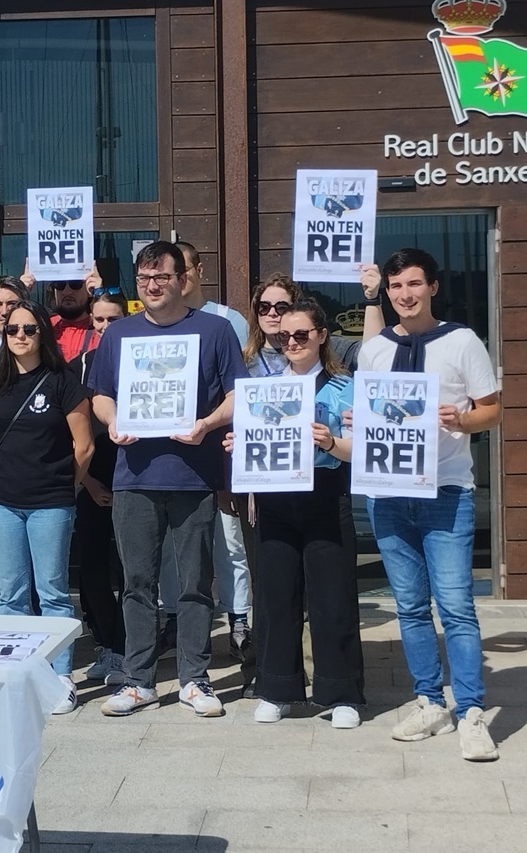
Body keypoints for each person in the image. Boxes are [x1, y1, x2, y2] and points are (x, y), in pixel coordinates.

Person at [88, 241, 246, 718]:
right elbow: (101, 395)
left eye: (161, 277)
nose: (152, 286)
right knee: (137, 582)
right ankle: (139, 681)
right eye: (144, 279)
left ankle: (195, 680)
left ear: (183, 280)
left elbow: (239, 394)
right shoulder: (119, 334)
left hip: (193, 474)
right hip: (133, 475)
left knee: (196, 582)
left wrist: (207, 423)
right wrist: (113, 423)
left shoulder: (216, 331)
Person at [358, 248, 502, 762]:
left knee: (457, 606)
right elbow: (368, 414)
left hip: (446, 491)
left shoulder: (462, 341)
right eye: (396, 287)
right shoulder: (374, 350)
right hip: (388, 494)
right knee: (412, 607)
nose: (405, 294)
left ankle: (471, 712)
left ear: (433, 287)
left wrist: (460, 422)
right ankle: (429, 700)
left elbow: (493, 411)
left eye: (415, 284)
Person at [224, 299, 365, 729]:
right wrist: (238, 447)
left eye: (301, 334)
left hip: (325, 494)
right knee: (274, 597)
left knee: (332, 597)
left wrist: (329, 443)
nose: (292, 342)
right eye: (284, 336)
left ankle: (341, 692)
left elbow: (356, 451)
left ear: (322, 335)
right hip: (275, 498)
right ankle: (277, 687)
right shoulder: (263, 386)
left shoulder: (345, 386)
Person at [0, 300, 94, 714]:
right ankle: (14, 670)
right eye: (12, 330)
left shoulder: (64, 381)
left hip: (50, 502)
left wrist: (66, 488)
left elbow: (84, 445)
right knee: (11, 595)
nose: (20, 336)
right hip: (1, 500)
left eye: (29, 329)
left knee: (53, 593)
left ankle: (60, 675)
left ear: (44, 333)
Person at [158, 240, 253, 661]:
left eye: (181, 268)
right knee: (173, 547)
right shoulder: (153, 322)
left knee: (227, 541)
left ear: (196, 270)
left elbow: (241, 385)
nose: (175, 277)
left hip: (222, 449)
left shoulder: (226, 321)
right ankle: (175, 616)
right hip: (170, 456)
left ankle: (239, 617)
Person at [71, 289, 129, 685]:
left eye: (114, 319)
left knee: (131, 569)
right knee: (91, 568)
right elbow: (70, 432)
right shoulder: (77, 366)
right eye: (99, 320)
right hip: (91, 478)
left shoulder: (145, 361)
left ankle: (130, 648)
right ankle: (108, 644)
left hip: (133, 476)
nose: (106, 327)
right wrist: (87, 481)